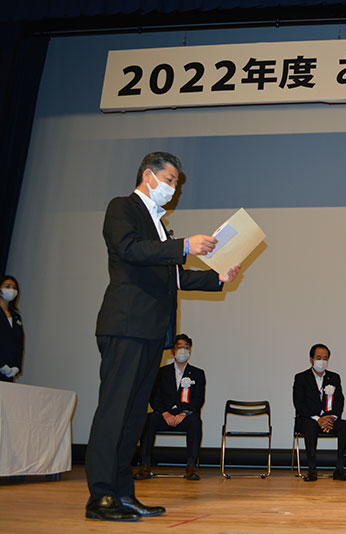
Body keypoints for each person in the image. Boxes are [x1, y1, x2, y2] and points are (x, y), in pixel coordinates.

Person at [86, 152, 240, 522]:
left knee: (133, 416)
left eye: (176, 183)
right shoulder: (122, 208)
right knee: (114, 412)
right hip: (126, 325)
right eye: (170, 180)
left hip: (151, 331)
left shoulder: (159, 226)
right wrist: (185, 245)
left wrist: (217, 278)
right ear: (148, 175)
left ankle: (123, 493)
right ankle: (100, 496)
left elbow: (174, 276)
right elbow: (129, 249)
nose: (173, 189)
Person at [135, 333, 205, 481]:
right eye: (179, 347)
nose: (183, 351)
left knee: (196, 422)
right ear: (173, 350)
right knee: (149, 420)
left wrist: (183, 414)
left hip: (185, 417)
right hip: (164, 415)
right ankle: (145, 465)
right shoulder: (161, 372)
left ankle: (191, 467)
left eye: (186, 347)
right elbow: (154, 396)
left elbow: (198, 399)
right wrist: (165, 413)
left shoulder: (198, 374)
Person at [292, 343, 346, 482]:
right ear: (311, 359)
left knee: (345, 426)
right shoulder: (301, 378)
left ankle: (339, 469)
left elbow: (339, 401)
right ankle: (312, 470)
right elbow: (299, 404)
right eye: (319, 358)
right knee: (310, 426)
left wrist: (330, 418)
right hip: (308, 419)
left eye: (325, 358)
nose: (322, 361)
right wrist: (318, 419)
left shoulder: (334, 377)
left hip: (329, 420)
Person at [1, 275, 24, 382]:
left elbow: (19, 344)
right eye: (8, 286)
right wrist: (1, 365)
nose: (12, 290)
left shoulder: (16, 317)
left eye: (15, 288)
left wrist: (17, 367)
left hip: (8, 372)